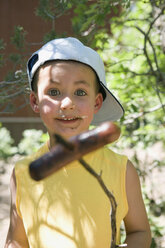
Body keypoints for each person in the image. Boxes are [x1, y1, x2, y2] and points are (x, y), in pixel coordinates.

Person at [5, 37, 151, 248]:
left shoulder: (122, 170)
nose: (67, 104)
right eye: (54, 92)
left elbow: (140, 231)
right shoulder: (23, 172)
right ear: (35, 101)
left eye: (80, 92)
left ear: (96, 102)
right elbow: (17, 240)